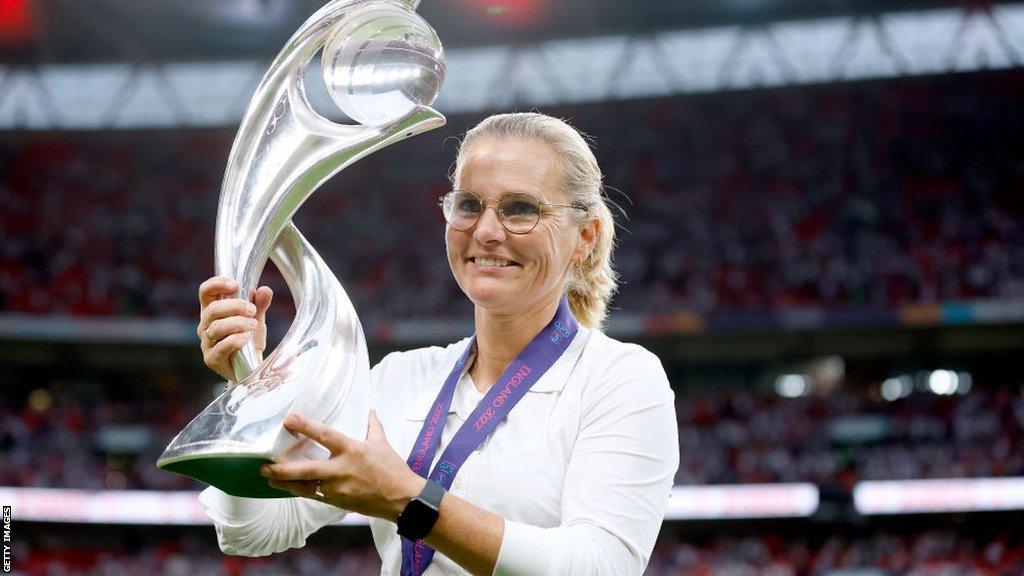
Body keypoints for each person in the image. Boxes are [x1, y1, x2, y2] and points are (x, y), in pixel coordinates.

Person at [195, 112, 679, 576]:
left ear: (586, 237)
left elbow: (598, 568)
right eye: (470, 205)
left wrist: (406, 499)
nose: (487, 232)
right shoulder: (399, 378)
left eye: (521, 209)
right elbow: (252, 533)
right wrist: (252, 387)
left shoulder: (621, 380)